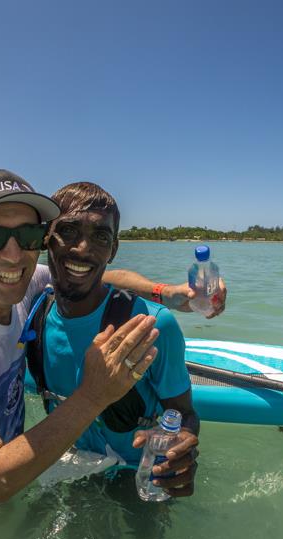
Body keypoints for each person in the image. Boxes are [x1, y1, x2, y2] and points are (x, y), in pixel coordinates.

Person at [0, 168, 205, 503]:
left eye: (27, 235)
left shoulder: (26, 285)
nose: (12, 255)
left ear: (39, 241)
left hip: (89, 473)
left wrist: (168, 293)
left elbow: (95, 274)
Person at [27, 181, 199, 495]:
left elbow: (185, 412)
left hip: (137, 479)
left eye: (100, 237)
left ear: (113, 250)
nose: (82, 248)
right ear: (45, 238)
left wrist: (182, 447)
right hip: (72, 468)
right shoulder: (31, 313)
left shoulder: (152, 326)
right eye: (68, 231)